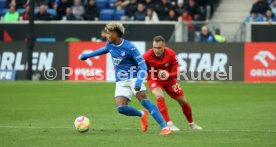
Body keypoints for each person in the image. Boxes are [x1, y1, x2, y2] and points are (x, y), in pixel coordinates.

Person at [79, 22, 172, 135]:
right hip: (121, 81)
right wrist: (87, 56)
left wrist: (139, 80)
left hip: (134, 78)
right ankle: (142, 114)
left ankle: (165, 127)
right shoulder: (110, 44)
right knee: (121, 109)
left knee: (144, 100)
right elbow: (103, 50)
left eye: (108, 33)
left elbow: (143, 66)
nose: (106, 35)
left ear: (116, 34)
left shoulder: (129, 47)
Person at [143, 35, 202, 131]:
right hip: (154, 79)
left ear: (164, 46)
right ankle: (168, 124)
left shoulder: (171, 54)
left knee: (183, 101)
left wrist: (167, 75)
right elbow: (139, 67)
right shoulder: (146, 56)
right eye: (154, 47)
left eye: (159, 48)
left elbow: (177, 73)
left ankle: (191, 124)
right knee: (159, 95)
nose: (156, 50)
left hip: (169, 80)